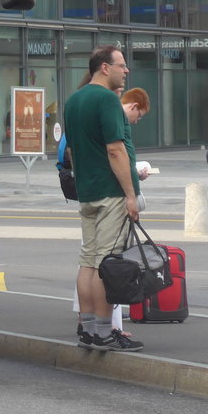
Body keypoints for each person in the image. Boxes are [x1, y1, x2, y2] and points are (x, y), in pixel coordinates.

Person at [63, 45, 144, 352]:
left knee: (88, 262)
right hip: (111, 193)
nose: (126, 71)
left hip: (87, 192)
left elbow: (71, 150)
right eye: (121, 65)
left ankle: (86, 328)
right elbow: (115, 149)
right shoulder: (108, 99)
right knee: (106, 264)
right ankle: (102, 332)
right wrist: (130, 195)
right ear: (104, 68)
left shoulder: (74, 100)